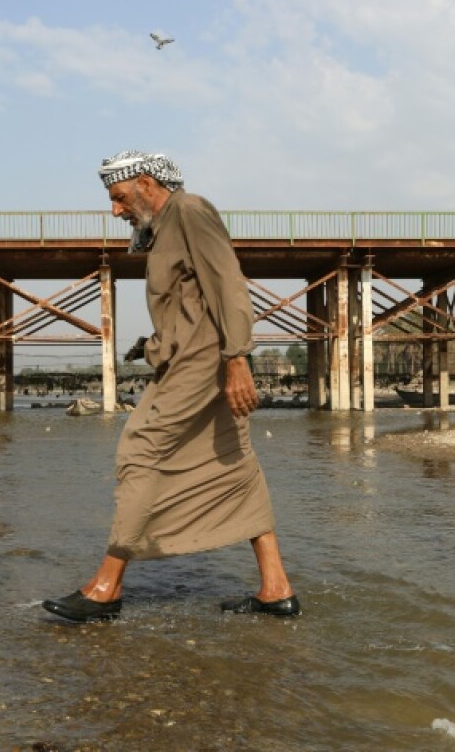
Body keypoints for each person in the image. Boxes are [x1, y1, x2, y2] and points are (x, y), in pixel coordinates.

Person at [42, 151, 299, 622]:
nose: (115, 211)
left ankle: (106, 586)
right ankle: (276, 588)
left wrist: (237, 358)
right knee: (236, 464)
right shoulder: (160, 230)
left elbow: (228, 285)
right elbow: (187, 300)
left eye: (118, 198)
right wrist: (152, 346)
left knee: (140, 452)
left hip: (204, 364)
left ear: (144, 183)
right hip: (191, 359)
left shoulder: (190, 211)